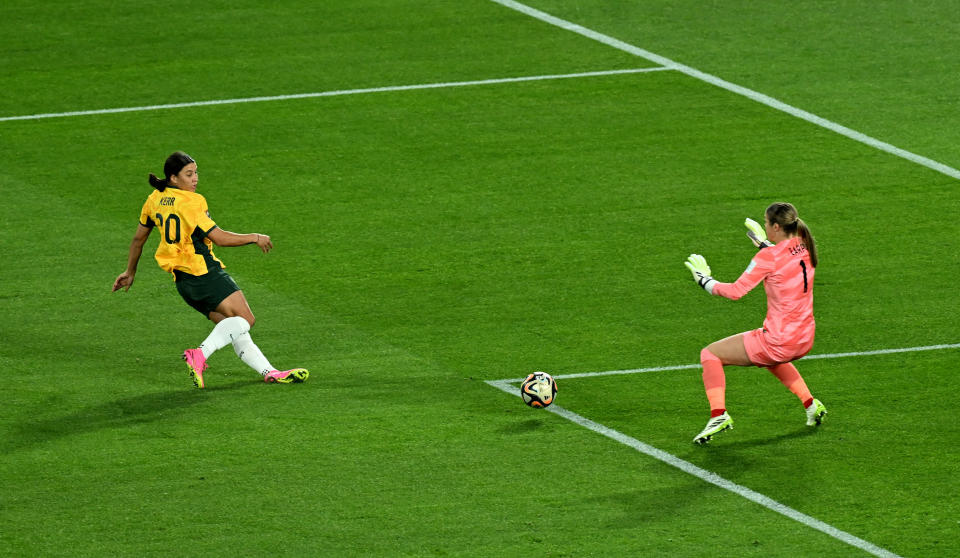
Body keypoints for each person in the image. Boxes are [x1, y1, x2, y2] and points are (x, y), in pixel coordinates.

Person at [112, 151, 308, 388]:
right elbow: (220, 238)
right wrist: (255, 237)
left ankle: (270, 372)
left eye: (196, 173)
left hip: (184, 283)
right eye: (188, 174)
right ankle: (199, 354)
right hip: (204, 272)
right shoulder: (194, 202)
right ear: (173, 178)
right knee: (245, 319)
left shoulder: (154, 199)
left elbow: (138, 240)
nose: (195, 179)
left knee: (233, 327)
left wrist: (130, 271)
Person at [683, 202, 826, 444]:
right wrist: (764, 244)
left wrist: (704, 280)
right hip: (804, 338)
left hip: (779, 341)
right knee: (768, 358)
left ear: (777, 226)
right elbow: (784, 259)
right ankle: (811, 404)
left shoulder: (768, 257)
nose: (765, 226)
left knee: (710, 354)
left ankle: (719, 415)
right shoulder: (805, 244)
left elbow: (735, 291)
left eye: (767, 223)